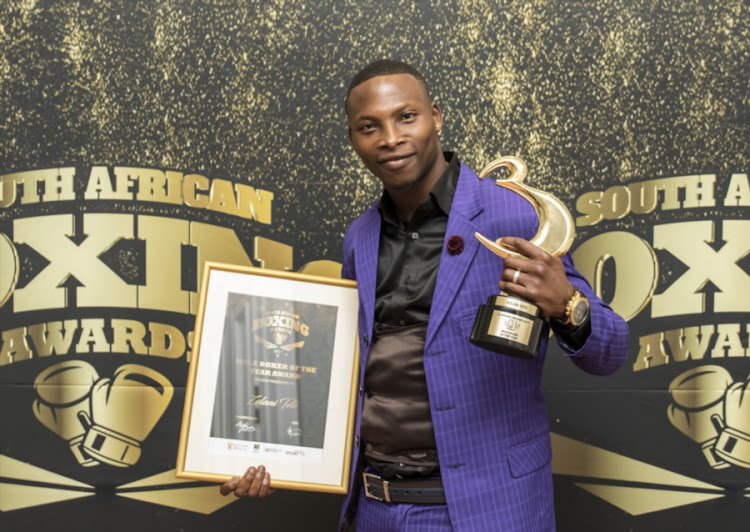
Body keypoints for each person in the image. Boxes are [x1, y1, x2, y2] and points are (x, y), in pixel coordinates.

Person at [221, 59, 629, 531]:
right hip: (375, 508)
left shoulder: (513, 215)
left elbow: (611, 351)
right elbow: (348, 373)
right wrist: (269, 448)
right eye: (368, 126)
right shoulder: (360, 237)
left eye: (406, 117)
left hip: (488, 509)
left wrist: (565, 305)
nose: (390, 138)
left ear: (435, 116)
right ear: (353, 139)